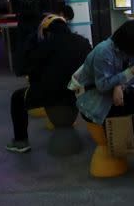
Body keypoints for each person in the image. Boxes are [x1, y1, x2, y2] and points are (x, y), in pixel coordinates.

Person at [75, 20, 134, 181]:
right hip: (96, 102)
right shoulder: (104, 51)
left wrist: (119, 85)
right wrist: (126, 75)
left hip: (114, 96)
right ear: (131, 41)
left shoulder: (128, 50)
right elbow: (103, 86)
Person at [6, 15, 92, 153]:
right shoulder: (83, 42)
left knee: (17, 98)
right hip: (80, 93)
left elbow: (21, 69)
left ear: (48, 32)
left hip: (51, 94)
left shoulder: (45, 45)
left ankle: (20, 142)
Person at [9, 0, 48, 76]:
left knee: (22, 45)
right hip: (36, 22)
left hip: (22, 23)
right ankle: (37, 67)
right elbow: (45, 4)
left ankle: (23, 68)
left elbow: (13, 7)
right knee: (36, 44)